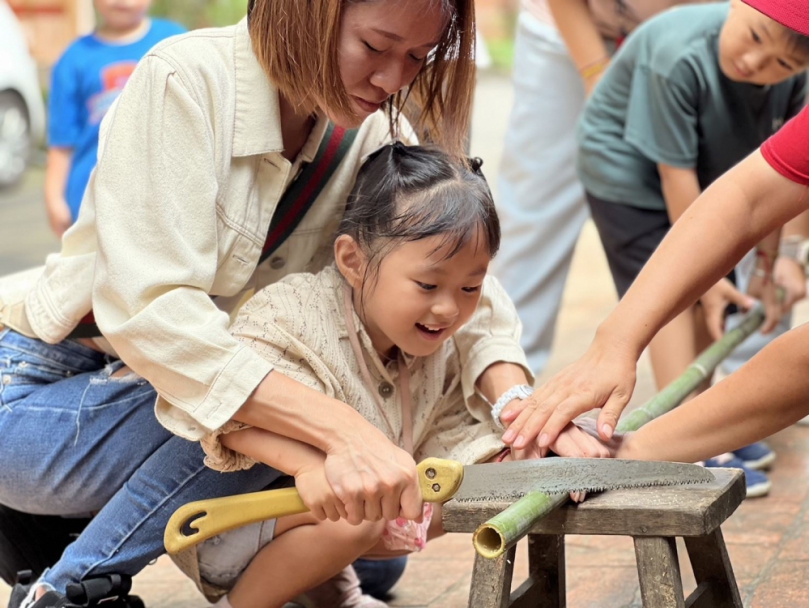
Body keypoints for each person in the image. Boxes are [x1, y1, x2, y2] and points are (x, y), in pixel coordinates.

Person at [0, 0, 534, 606]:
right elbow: (157, 320)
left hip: (166, 395)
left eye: (416, 57)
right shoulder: (184, 81)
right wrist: (346, 434)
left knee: (372, 546)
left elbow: (458, 274)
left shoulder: (372, 130)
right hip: (38, 400)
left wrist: (521, 408)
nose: (393, 81)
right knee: (280, 390)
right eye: (375, 48)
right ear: (307, 13)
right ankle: (65, 589)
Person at [170, 144, 607, 608]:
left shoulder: (436, 344)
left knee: (413, 495)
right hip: (228, 528)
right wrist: (307, 466)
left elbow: (463, 431)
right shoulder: (294, 315)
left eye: (470, 287)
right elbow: (229, 412)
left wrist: (530, 443)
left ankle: (336, 594)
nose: (448, 307)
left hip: (327, 522)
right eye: (427, 285)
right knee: (358, 517)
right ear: (353, 261)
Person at [491, 0, 809, 465]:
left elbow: (779, 191)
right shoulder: (678, 54)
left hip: (696, 170)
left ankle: (696, 428)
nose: (759, 63)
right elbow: (700, 185)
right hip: (626, 178)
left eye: (783, 63)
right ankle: (691, 438)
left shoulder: (791, 79)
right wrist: (620, 338)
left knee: (706, 298)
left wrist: (768, 262)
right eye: (758, 38)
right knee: (677, 295)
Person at [493, 0, 703, 374]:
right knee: (534, 206)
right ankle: (502, 372)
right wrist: (595, 73)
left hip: (694, 40)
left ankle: (743, 386)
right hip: (565, 29)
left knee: (718, 196)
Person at [45, 0, 185, 236]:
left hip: (163, 194)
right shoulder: (74, 58)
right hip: (92, 201)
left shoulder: (175, 41)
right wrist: (53, 197)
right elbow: (61, 141)